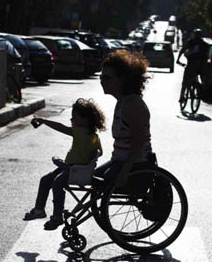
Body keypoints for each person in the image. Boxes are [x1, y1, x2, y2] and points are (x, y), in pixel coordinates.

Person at [25, 98, 105, 230]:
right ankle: (39, 209)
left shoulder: (80, 131)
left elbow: (61, 128)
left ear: (85, 119)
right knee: (46, 180)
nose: (71, 120)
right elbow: (100, 152)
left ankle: (56, 216)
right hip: (71, 168)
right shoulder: (94, 135)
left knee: (55, 182)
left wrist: (44, 121)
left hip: (73, 170)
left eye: (74, 117)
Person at [94, 50, 154, 188]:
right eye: (101, 77)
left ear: (123, 80)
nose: (102, 81)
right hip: (118, 161)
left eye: (107, 77)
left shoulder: (133, 105)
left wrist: (124, 172)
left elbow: (138, 143)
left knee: (101, 183)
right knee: (91, 177)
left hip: (136, 165)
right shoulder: (122, 101)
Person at [176, 28, 209, 101]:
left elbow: (183, 50)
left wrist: (178, 59)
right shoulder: (204, 44)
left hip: (191, 65)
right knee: (203, 77)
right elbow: (207, 56)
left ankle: (182, 95)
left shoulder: (191, 42)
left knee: (185, 80)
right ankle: (202, 89)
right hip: (201, 66)